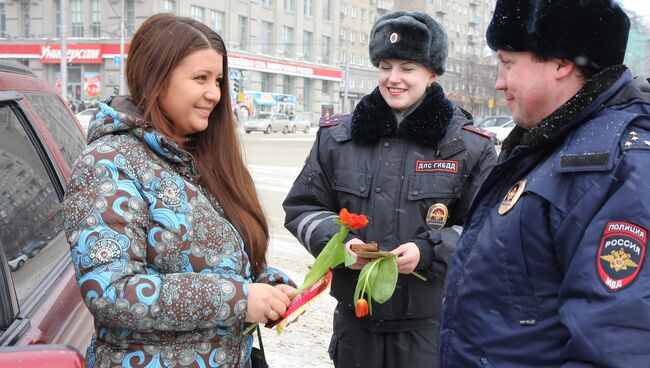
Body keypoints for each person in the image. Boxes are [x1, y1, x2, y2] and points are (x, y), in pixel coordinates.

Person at [63, 13, 296, 368]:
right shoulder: (108, 163)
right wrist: (240, 298)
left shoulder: (201, 156)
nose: (214, 94)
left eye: (218, 80)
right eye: (200, 78)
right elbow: (111, 292)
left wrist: (269, 285)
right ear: (156, 78)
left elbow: (222, 258)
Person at [438, 1, 650, 367]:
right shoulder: (548, 145)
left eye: (507, 63)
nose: (498, 81)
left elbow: (614, 347)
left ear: (561, 62)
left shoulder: (618, 166)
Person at [283, 11, 496, 368]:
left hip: (428, 330)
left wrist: (428, 251)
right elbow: (303, 207)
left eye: (407, 68)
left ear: (432, 73)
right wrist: (338, 244)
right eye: (385, 66)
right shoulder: (338, 137)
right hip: (356, 329)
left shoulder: (469, 146)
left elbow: (488, 227)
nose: (393, 79)